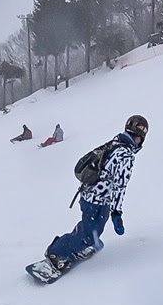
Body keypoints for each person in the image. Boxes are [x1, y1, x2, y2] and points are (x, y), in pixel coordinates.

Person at [43, 115, 148, 272]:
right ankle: (56, 253)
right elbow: (120, 186)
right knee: (89, 235)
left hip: (91, 195)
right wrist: (117, 212)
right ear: (140, 138)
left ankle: (77, 244)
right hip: (97, 200)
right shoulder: (125, 155)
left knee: (90, 229)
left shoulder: (116, 142)